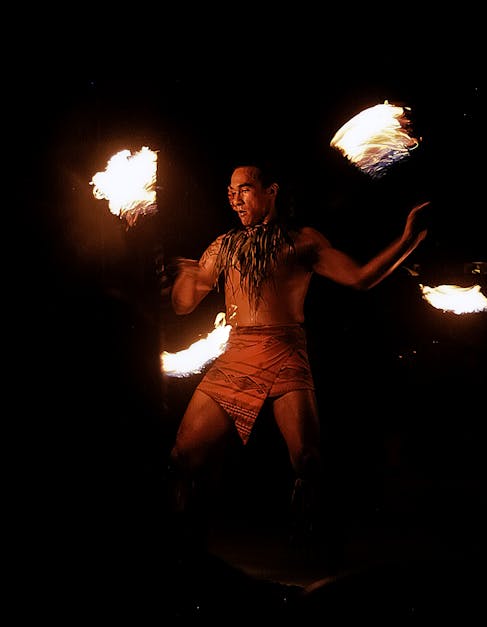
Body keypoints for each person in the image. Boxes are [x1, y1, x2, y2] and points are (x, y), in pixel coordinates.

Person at [167, 161, 431, 572]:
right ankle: (181, 545)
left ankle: (319, 554)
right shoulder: (222, 247)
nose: (236, 197)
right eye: (231, 190)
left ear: (271, 191)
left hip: (286, 353)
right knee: (183, 456)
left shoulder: (302, 243)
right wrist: (184, 277)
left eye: (246, 188)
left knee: (307, 460)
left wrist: (407, 241)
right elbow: (184, 305)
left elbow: (360, 277)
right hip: (237, 357)